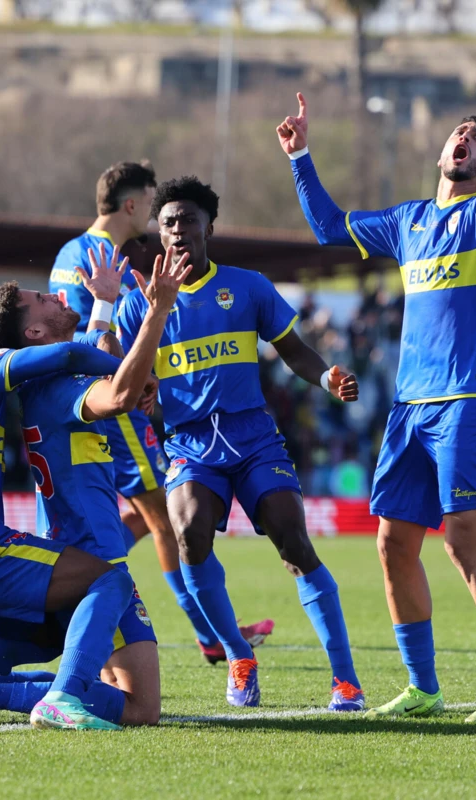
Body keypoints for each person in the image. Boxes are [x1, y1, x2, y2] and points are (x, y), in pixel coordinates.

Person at [278, 30, 476, 722]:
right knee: (392, 544)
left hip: (467, 397)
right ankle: (423, 689)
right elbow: (331, 227)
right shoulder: (408, 223)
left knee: (461, 539)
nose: (466, 140)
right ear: (439, 153)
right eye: (459, 133)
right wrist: (301, 156)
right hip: (409, 405)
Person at [0, 252, 192, 728]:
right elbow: (114, 388)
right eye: (42, 299)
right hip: (85, 552)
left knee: (130, 699)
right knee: (135, 699)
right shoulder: (49, 386)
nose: (56, 294)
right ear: (33, 335)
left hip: (73, 546)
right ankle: (13, 694)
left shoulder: (4, 382)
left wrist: (103, 302)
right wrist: (156, 314)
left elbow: (95, 350)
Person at [116, 175, 364, 711]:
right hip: (188, 443)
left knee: (295, 545)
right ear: (158, 234)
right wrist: (142, 391)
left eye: (187, 220)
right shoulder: (142, 303)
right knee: (188, 534)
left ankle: (345, 679)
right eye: (167, 224)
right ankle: (237, 655)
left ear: (210, 227)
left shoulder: (247, 286)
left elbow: (293, 350)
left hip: (254, 438)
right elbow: (127, 380)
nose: (177, 231)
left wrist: (326, 380)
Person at [50, 161, 274, 663]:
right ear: (132, 205)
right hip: (114, 402)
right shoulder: (98, 255)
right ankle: (209, 632)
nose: (158, 218)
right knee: (167, 519)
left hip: (99, 396)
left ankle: (204, 626)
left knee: (143, 516)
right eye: (152, 204)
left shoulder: (76, 253)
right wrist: (134, 372)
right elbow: (101, 333)